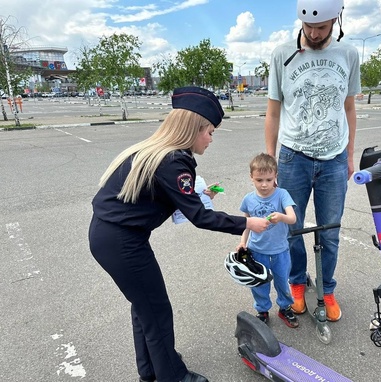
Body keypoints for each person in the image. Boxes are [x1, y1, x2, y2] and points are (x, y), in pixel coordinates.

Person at [88, 86, 270, 382]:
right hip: (122, 243)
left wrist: (198, 193)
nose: (211, 139)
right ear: (194, 128)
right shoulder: (174, 161)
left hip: (108, 236)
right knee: (157, 312)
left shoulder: (158, 152)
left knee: (144, 307)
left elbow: (169, 196)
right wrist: (247, 223)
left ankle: (150, 372)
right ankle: (174, 377)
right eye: (210, 131)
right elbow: (199, 216)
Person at [264, 0, 361, 322]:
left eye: (321, 28)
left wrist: (349, 156)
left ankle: (327, 289)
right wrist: (271, 160)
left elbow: (348, 108)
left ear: (336, 20)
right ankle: (296, 284)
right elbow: (273, 110)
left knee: (330, 232)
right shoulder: (282, 54)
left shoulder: (348, 54)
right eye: (308, 28)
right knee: (291, 229)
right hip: (293, 158)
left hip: (334, 160)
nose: (314, 33)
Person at [236, 153, 298, 328]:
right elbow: (246, 224)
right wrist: (243, 243)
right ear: (251, 178)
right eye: (259, 180)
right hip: (257, 250)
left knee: (282, 281)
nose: (264, 184)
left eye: (269, 180)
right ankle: (262, 310)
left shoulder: (282, 194)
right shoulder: (248, 199)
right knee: (259, 283)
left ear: (275, 176)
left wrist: (281, 217)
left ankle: (284, 307)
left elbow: (292, 218)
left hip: (280, 250)